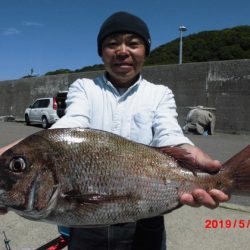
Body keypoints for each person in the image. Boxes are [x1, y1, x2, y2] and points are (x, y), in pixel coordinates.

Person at [0, 11, 229, 250]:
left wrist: (187, 151)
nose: (122, 51)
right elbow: (72, 121)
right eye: (112, 44)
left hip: (145, 218)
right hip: (88, 225)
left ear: (145, 51)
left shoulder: (160, 93)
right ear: (101, 52)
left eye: (133, 43)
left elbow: (169, 133)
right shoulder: (85, 88)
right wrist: (18, 151)